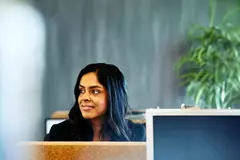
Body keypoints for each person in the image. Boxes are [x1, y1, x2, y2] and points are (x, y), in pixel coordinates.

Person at [44, 63, 146, 141]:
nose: (85, 97)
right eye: (82, 91)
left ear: (114, 96)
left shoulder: (136, 134)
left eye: (95, 91)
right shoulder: (60, 133)